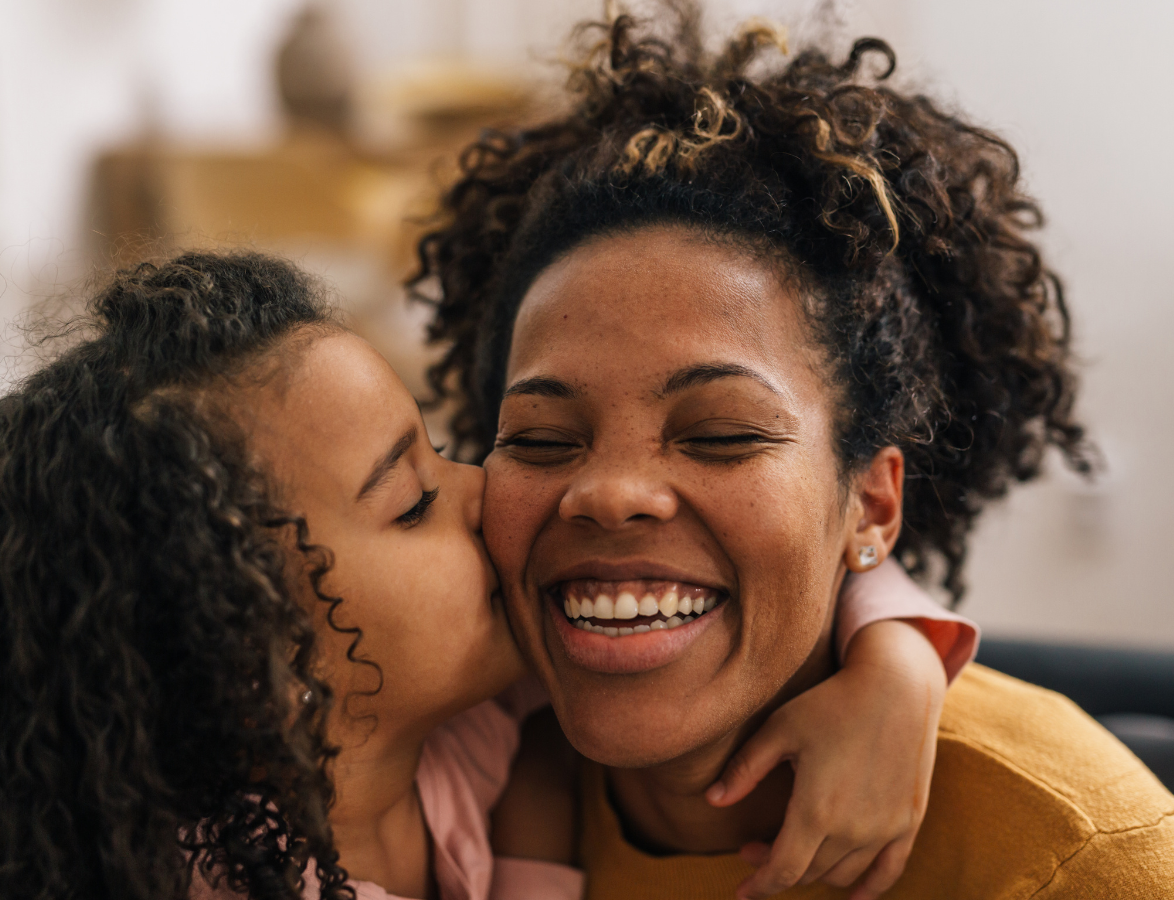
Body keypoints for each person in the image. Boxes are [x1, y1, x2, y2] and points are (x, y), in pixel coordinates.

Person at [413, 4, 1174, 897]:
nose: (609, 492)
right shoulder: (439, 773)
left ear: (870, 505)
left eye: (719, 434)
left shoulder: (1083, 862)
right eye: (542, 440)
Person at [0, 252, 975, 900]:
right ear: (245, 648)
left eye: (443, 453)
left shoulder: (459, 729)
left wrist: (899, 664)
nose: (485, 489)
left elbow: (809, 545)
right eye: (412, 500)